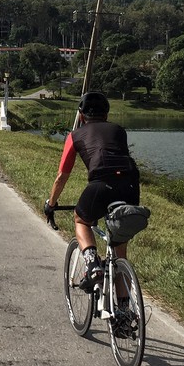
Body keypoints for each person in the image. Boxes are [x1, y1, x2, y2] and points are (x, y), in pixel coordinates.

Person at [43, 91, 140, 293]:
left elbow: (62, 176)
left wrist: (51, 204)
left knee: (81, 218)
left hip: (102, 184)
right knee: (120, 248)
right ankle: (122, 313)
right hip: (130, 186)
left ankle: (92, 265)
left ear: (81, 116)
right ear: (106, 115)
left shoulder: (75, 135)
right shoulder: (119, 130)